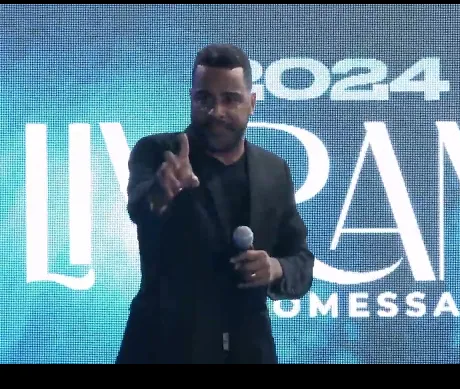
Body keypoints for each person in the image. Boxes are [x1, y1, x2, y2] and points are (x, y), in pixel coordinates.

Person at [116, 43, 315, 364]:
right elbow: (140, 207)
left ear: (252, 103)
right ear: (191, 99)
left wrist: (275, 268)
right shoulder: (158, 152)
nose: (216, 111)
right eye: (204, 99)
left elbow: (300, 260)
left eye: (230, 99)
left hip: (249, 351)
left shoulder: (273, 170)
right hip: (163, 348)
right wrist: (161, 193)